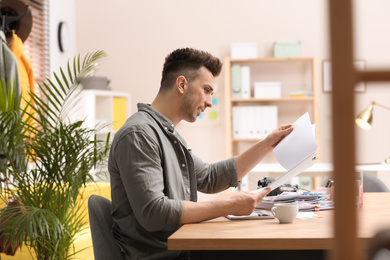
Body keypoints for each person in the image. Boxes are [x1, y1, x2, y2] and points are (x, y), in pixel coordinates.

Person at [108, 47, 293, 260]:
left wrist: (268, 144)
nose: (209, 102)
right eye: (207, 90)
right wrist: (227, 206)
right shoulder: (139, 135)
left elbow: (210, 177)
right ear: (182, 84)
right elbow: (154, 212)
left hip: (181, 250)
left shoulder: (167, 135)